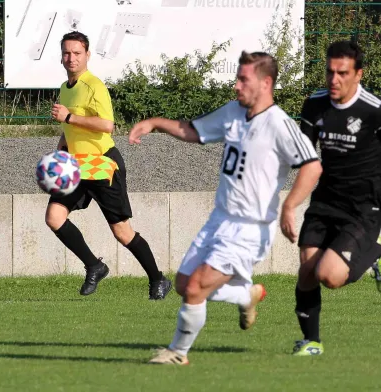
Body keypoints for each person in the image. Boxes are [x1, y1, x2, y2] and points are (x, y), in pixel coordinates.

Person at [128, 51, 322, 365]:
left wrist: (289, 207)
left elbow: (312, 167)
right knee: (182, 285)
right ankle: (246, 295)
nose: (236, 85)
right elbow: (193, 130)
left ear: (266, 83)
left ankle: (178, 352)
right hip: (219, 220)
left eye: (244, 79)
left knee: (195, 288)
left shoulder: (280, 125)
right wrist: (154, 123)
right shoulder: (234, 111)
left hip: (249, 228)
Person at [46, 31, 172, 300]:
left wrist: (69, 117)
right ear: (61, 56)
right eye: (67, 53)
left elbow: (107, 125)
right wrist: (60, 150)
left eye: (77, 53)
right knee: (54, 218)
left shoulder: (94, 85)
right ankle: (94, 265)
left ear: (87, 55)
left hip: (102, 163)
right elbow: (71, 127)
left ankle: (158, 279)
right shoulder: (65, 87)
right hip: (77, 165)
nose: (71, 58)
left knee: (122, 232)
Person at [292, 40, 381, 355]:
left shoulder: (374, 110)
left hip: (363, 207)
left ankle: (374, 253)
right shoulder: (314, 105)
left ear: (358, 74)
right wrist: (289, 204)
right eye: (330, 72)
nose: (334, 80)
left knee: (328, 275)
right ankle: (311, 342)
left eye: (342, 73)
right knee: (307, 270)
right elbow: (306, 161)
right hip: (326, 200)